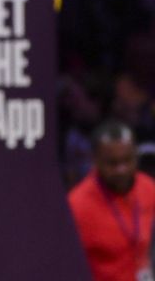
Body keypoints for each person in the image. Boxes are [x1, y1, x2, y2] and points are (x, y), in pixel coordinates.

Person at [68, 120, 155, 281]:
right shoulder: (78, 205)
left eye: (127, 160)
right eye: (112, 163)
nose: (121, 169)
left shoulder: (149, 189)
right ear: (94, 161)